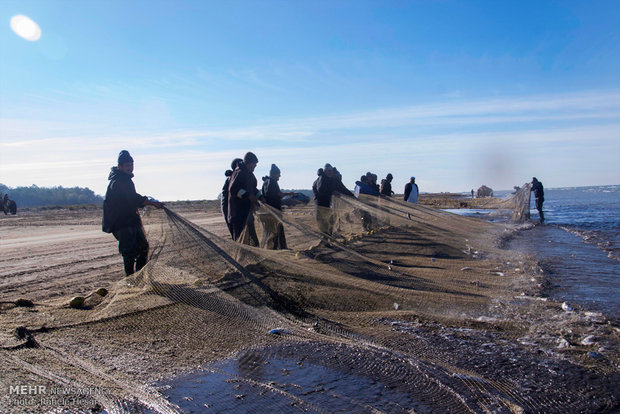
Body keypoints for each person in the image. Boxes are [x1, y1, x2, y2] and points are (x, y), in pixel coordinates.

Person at [102, 150, 164, 276]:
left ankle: (139, 277)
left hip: (131, 221)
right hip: (121, 224)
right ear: (120, 167)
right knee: (129, 252)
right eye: (127, 165)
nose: (130, 167)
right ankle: (130, 280)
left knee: (143, 247)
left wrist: (148, 201)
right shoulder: (118, 181)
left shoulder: (125, 179)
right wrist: (151, 203)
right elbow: (133, 198)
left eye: (131, 165)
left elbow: (133, 199)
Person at [228, 152, 260, 245]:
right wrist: (248, 196)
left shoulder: (250, 174)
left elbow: (253, 189)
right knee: (240, 239)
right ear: (249, 163)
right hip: (238, 214)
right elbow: (233, 189)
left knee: (252, 239)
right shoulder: (239, 172)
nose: (255, 166)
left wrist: (260, 197)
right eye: (254, 164)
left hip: (247, 212)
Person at [313, 163, 355, 234]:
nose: (330, 172)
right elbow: (321, 190)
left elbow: (343, 189)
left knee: (331, 221)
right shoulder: (322, 178)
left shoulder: (334, 179)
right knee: (323, 223)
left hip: (330, 204)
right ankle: (326, 240)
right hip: (321, 204)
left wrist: (352, 197)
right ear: (325, 171)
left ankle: (329, 238)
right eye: (328, 171)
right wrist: (332, 192)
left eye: (331, 170)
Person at [260, 164, 294, 249]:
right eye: (279, 174)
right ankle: (276, 248)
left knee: (271, 230)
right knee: (276, 230)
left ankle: (276, 247)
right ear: (275, 174)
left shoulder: (266, 182)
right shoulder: (272, 181)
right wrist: (289, 194)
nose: (280, 176)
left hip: (268, 210)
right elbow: (278, 194)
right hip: (274, 210)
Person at [221, 158, 243, 238]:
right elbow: (235, 190)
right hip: (229, 208)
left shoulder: (236, 176)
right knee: (235, 231)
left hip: (232, 208)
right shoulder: (231, 178)